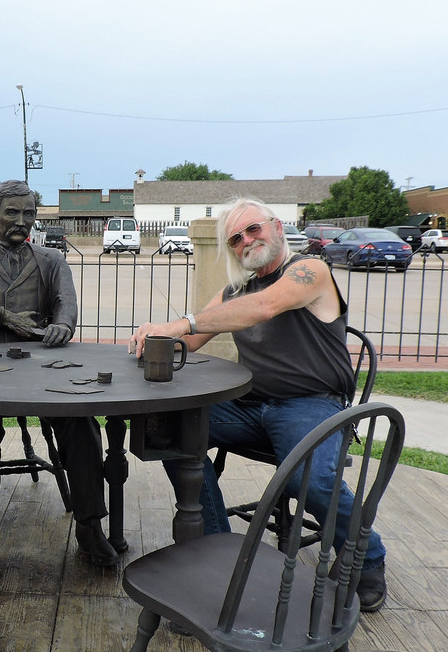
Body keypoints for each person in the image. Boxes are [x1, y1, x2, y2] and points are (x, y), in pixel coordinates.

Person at [129, 198, 388, 612]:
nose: (247, 241)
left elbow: (263, 308)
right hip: (249, 404)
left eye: (253, 229)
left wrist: (182, 323)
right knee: (167, 429)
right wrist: (155, 338)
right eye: (236, 238)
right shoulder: (235, 291)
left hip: (311, 403)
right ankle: (215, 546)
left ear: (278, 227)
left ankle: (367, 557)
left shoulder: (310, 270)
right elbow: (191, 339)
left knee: (312, 479)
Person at [0, 180, 118, 567]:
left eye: (28, 213)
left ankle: (90, 524)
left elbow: (66, 304)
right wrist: (4, 317)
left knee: (82, 422)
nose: (21, 221)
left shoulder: (51, 260)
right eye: (12, 212)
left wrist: (63, 326)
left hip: (44, 367)